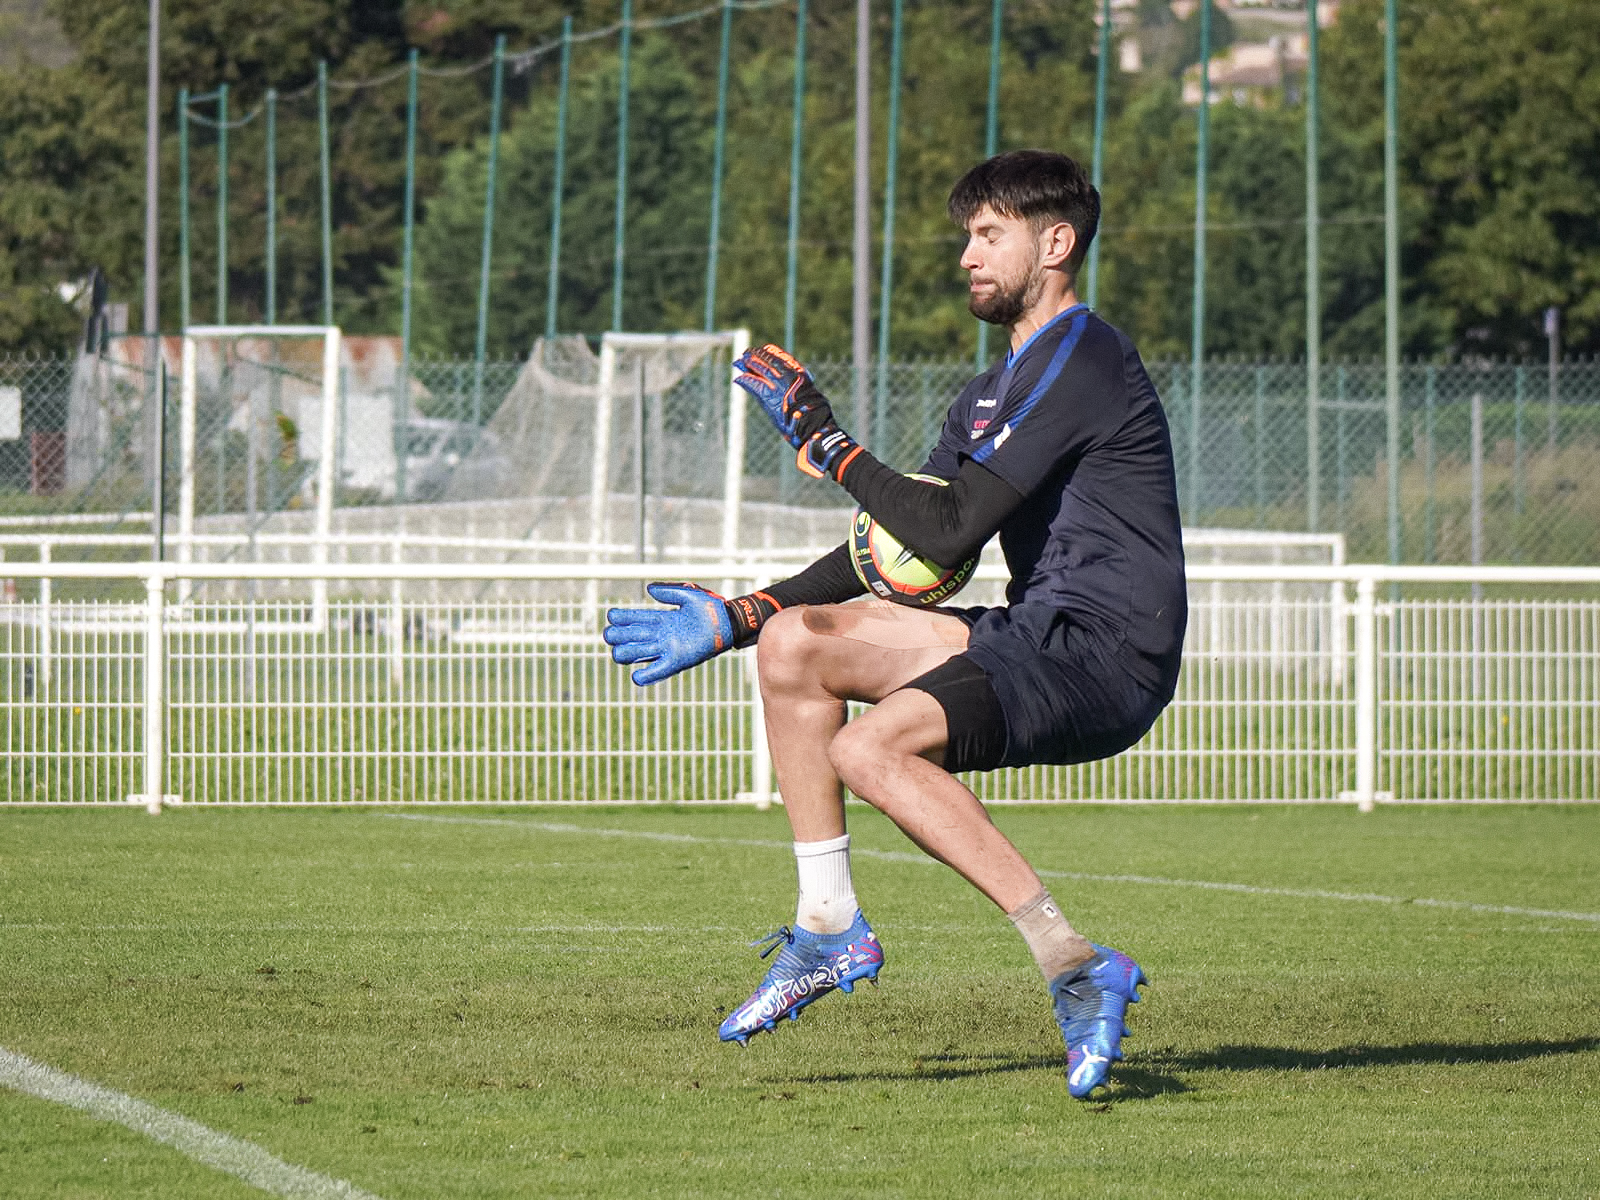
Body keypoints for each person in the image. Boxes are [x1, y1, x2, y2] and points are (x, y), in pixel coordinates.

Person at [602, 149, 1187, 1099]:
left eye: (988, 234)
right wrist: (740, 616)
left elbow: (952, 525)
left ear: (1056, 243)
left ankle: (1072, 960)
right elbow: (907, 545)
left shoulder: (1088, 356)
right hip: (1038, 629)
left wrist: (827, 443)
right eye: (967, 236)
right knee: (796, 648)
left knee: (869, 750)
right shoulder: (986, 395)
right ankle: (828, 925)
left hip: (1105, 653)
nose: (967, 255)